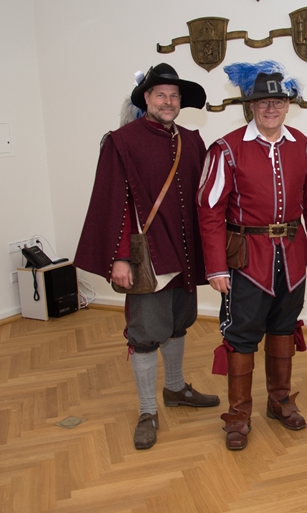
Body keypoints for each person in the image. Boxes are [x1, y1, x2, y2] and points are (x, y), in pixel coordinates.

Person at [75, 63, 220, 451]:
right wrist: (119, 258)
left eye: (174, 96)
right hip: (148, 258)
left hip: (185, 253)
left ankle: (174, 389)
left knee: (178, 323)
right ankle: (146, 411)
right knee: (144, 336)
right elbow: (113, 204)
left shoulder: (192, 140)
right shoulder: (121, 141)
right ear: (146, 99)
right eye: (161, 95)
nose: (168, 102)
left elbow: (204, 200)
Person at [197, 64, 307, 451]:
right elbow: (209, 211)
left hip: (291, 258)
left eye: (278, 101)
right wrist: (216, 266)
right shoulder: (226, 148)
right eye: (263, 102)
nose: (271, 108)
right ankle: (238, 414)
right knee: (240, 337)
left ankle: (280, 400)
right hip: (246, 260)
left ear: (288, 105)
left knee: (284, 329)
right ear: (251, 105)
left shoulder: (303, 145)